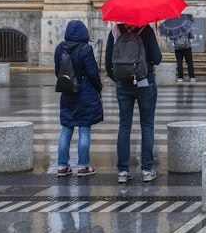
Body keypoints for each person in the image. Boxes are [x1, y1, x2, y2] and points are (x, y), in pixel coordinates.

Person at [105, 22, 162, 183]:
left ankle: (123, 171)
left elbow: (108, 62)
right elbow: (157, 59)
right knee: (147, 125)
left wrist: (119, 79)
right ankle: (147, 169)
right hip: (145, 82)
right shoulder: (146, 30)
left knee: (124, 126)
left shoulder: (115, 31)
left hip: (123, 84)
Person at [54, 20, 103, 177]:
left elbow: (58, 71)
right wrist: (98, 87)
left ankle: (62, 166)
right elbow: (93, 72)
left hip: (67, 92)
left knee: (66, 128)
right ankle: (83, 166)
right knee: (84, 128)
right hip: (85, 92)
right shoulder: (85, 49)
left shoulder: (59, 48)